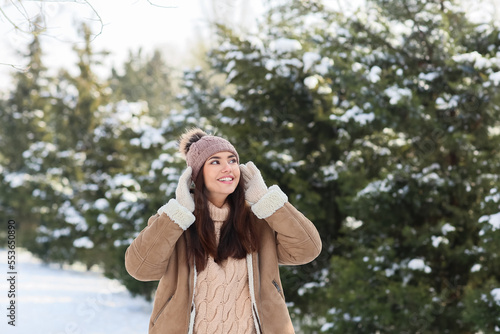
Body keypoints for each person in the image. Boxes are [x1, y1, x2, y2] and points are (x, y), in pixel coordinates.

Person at [125, 128, 322, 334]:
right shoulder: (173, 223)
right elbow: (140, 269)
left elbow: (308, 249)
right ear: (196, 173)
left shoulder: (260, 220)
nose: (228, 168)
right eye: (215, 162)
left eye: (232, 160)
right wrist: (178, 212)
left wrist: (266, 200)